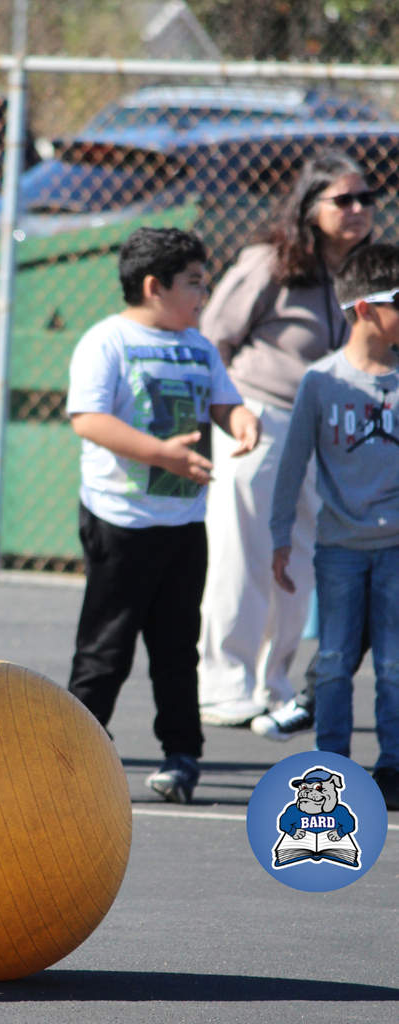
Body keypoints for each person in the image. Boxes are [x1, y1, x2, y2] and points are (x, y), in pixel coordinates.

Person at [66, 227, 260, 805]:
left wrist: (241, 419)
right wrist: (160, 454)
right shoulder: (108, 341)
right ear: (155, 286)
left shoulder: (198, 346)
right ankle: (74, 751)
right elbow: (88, 419)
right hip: (121, 522)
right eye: (195, 283)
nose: (205, 293)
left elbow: (222, 400)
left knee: (177, 648)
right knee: (106, 648)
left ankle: (181, 755)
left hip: (183, 524)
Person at [197, 151, 374, 728]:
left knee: (300, 557)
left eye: (366, 199)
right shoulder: (268, 261)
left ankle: (273, 683)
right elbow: (213, 340)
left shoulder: (372, 270)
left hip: (328, 430)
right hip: (260, 418)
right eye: (342, 199)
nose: (357, 209)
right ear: (310, 206)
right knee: (243, 551)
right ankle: (225, 683)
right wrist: (229, 414)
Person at [270, 243, 399, 811]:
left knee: (395, 663)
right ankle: (331, 765)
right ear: (365, 307)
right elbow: (291, 463)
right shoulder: (322, 382)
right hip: (339, 551)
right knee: (336, 662)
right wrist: (279, 537)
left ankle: (393, 766)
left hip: (395, 549)